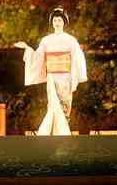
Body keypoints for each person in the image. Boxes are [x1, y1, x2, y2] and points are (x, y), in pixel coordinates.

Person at [15, 7, 87, 136]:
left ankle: (63, 134)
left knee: (65, 105)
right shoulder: (46, 40)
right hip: (52, 76)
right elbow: (38, 57)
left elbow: (77, 58)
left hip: (66, 76)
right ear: (52, 22)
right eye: (55, 20)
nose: (57, 23)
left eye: (59, 20)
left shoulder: (71, 40)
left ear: (64, 22)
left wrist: (74, 76)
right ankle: (52, 134)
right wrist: (27, 48)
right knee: (53, 104)